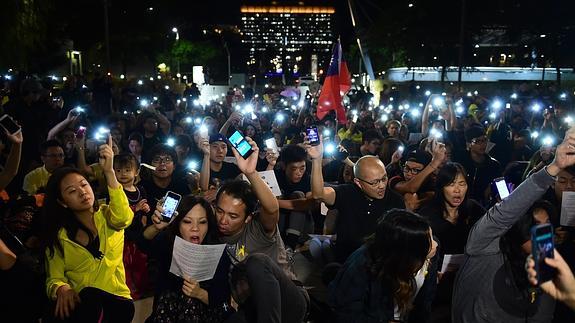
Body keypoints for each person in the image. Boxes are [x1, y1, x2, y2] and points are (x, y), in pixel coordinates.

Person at [451, 126, 575, 323]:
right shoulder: (484, 245)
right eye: (534, 225)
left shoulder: (544, 257)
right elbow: (506, 212)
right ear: (519, 225)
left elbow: (542, 313)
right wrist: (553, 168)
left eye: (547, 227)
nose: (542, 235)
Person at [214, 136, 309, 323]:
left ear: (248, 217)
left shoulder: (258, 228)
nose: (223, 220)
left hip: (290, 301)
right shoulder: (213, 231)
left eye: (233, 216)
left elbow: (272, 208)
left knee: (257, 262)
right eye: (219, 211)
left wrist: (251, 173)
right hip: (253, 306)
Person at [42, 135, 135, 322]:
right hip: (83, 306)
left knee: (91, 297)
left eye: (84, 185)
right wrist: (62, 288)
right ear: (62, 202)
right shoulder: (60, 236)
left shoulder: (109, 215)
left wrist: (109, 172)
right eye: (72, 191)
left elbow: (124, 218)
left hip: (117, 299)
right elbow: (54, 277)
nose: (82, 192)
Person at [329, 209, 438, 322]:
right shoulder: (362, 263)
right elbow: (347, 313)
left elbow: (425, 303)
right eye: (428, 240)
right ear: (407, 251)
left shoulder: (431, 254)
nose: (434, 244)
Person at [309, 138, 405, 263]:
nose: (381, 186)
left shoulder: (396, 201)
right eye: (374, 182)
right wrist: (317, 160)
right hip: (345, 260)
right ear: (358, 183)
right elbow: (317, 194)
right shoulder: (347, 192)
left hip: (378, 263)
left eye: (384, 179)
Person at [143, 196, 234, 322]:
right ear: (178, 223)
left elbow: (222, 298)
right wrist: (156, 228)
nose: (195, 228)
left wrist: (199, 293)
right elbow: (143, 243)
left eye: (202, 222)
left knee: (189, 301)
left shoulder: (218, 251)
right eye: (187, 221)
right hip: (168, 313)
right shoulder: (167, 242)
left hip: (207, 313)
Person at [113, 153, 151, 300]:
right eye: (118, 170)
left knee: (140, 262)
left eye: (127, 170)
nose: (123, 174)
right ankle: (129, 293)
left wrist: (145, 212)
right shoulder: (116, 192)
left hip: (138, 234)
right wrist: (136, 208)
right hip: (123, 235)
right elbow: (117, 213)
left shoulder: (141, 190)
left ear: (136, 172)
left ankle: (143, 289)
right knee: (125, 265)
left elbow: (145, 207)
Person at [454, 125, 502, 205]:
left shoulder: (494, 165)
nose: (482, 144)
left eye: (484, 140)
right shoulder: (461, 162)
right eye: (477, 141)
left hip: (485, 208)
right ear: (469, 144)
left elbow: (501, 190)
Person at [390, 145, 445, 211]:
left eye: (415, 170)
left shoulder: (432, 184)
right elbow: (410, 188)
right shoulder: (395, 179)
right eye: (407, 168)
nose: (409, 173)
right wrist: (434, 163)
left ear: (425, 171)